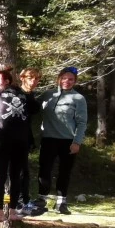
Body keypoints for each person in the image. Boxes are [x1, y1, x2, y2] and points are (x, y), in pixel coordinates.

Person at [0, 67, 40, 222]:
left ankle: (13, 209)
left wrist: (23, 93)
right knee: (1, 175)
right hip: (3, 141)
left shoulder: (19, 94)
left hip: (20, 142)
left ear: (7, 81)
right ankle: (0, 210)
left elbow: (35, 108)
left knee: (15, 175)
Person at [34, 66, 88, 215]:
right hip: (48, 138)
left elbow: (82, 122)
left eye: (71, 79)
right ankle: (41, 200)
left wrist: (77, 142)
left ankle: (61, 203)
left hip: (68, 141)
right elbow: (32, 106)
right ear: (59, 79)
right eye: (64, 78)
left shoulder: (78, 98)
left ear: (75, 81)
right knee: (44, 170)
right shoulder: (48, 94)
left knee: (64, 172)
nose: (67, 81)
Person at [17, 67, 42, 213]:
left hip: (25, 137)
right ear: (22, 78)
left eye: (36, 79)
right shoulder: (15, 94)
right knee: (18, 171)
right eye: (30, 78)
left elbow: (33, 112)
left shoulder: (32, 96)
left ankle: (25, 200)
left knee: (24, 171)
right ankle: (20, 202)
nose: (33, 82)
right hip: (12, 138)